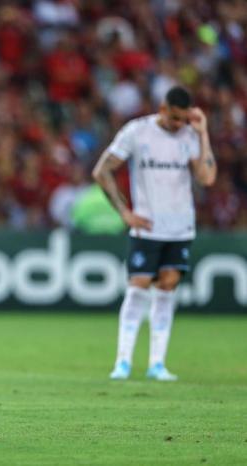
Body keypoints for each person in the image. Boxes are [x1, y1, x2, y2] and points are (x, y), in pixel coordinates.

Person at [92, 86, 217, 382]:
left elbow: (207, 178)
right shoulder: (137, 132)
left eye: (183, 120)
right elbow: (102, 171)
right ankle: (122, 362)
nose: (178, 125)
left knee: (167, 288)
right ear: (163, 108)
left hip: (180, 227)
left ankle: (157, 364)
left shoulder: (190, 135)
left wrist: (202, 132)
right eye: (174, 118)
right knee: (138, 286)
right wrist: (124, 212)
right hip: (147, 227)